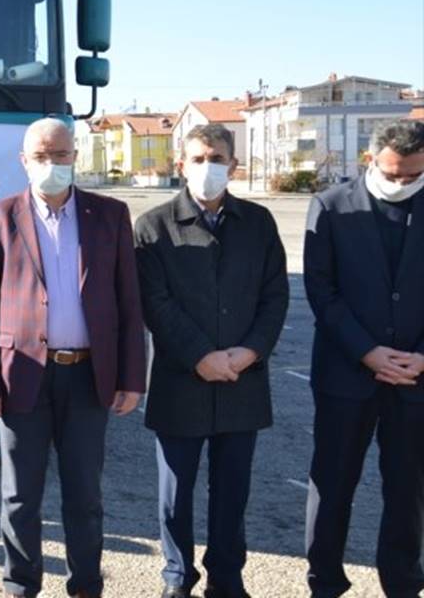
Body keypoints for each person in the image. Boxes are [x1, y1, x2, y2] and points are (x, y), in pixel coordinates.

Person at [0, 117, 146, 598]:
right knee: (20, 496)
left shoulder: (109, 216)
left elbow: (129, 302)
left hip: (88, 377)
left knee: (85, 495)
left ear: (75, 158)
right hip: (22, 377)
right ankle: (20, 586)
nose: (52, 164)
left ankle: (86, 586)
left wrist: (132, 377)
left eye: (61, 155)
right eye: (41, 156)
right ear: (24, 162)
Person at [134, 124, 289, 598]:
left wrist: (250, 351)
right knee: (175, 494)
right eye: (198, 158)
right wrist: (200, 355)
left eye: (217, 158)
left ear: (234, 165)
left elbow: (275, 295)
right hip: (182, 381)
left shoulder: (258, 223)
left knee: (232, 493)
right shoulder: (154, 226)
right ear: (180, 164)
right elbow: (155, 303)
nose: (208, 167)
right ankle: (178, 577)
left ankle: (227, 577)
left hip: (242, 380)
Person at [303, 118, 424, 598]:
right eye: (393, 173)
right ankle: (325, 581)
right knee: (332, 484)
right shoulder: (331, 206)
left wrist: (421, 357)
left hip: (414, 379)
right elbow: (321, 291)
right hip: (346, 374)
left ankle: (403, 582)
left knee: (408, 489)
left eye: (414, 175)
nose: (402, 183)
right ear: (370, 160)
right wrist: (368, 352)